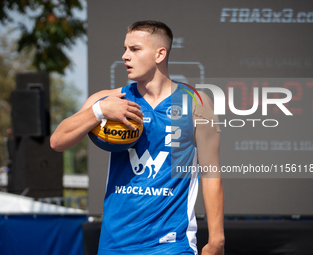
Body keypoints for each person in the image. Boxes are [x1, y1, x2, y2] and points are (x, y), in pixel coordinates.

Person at [50, 20, 224, 255]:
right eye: (124, 49)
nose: (125, 56)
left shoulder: (196, 102)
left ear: (160, 54)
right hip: (116, 244)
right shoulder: (109, 99)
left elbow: (211, 174)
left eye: (134, 49)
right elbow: (57, 141)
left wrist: (216, 241)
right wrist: (99, 112)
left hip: (173, 244)